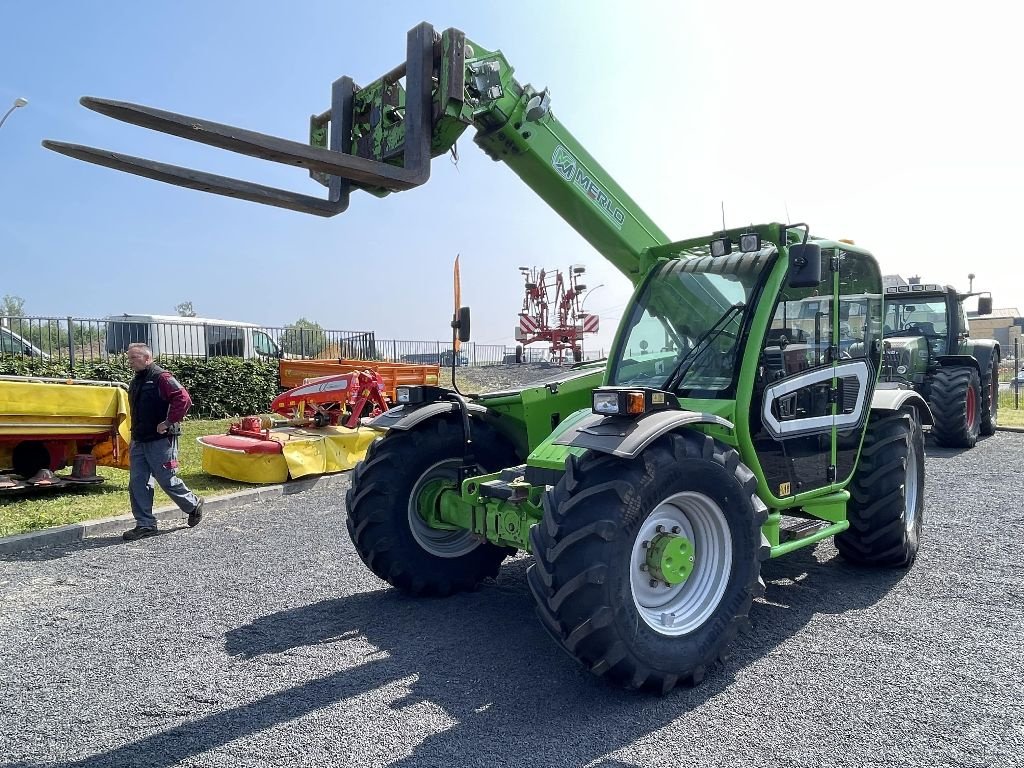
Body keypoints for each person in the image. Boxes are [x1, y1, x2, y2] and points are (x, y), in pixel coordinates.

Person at [123, 343, 204, 541]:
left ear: (147, 358)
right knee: (138, 483)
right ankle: (146, 525)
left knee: (167, 479)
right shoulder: (136, 381)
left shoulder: (162, 377)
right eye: (129, 358)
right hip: (140, 439)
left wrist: (168, 422)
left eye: (134, 358)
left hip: (161, 440)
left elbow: (183, 400)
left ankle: (192, 505)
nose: (130, 361)